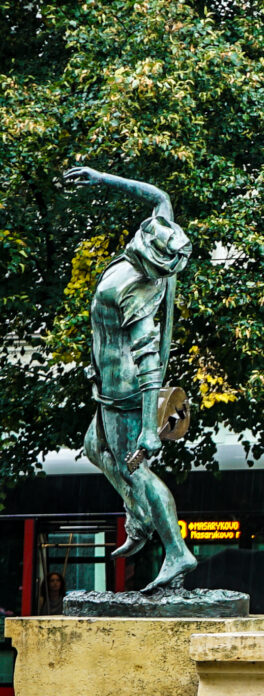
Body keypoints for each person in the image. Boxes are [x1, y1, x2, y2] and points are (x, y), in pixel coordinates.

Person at [64, 166, 197, 591]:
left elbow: (148, 366)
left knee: (137, 470)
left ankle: (177, 550)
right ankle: (138, 517)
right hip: (106, 388)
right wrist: (101, 178)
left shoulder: (137, 291)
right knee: (92, 446)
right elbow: (158, 191)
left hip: (122, 394)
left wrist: (146, 428)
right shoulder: (163, 226)